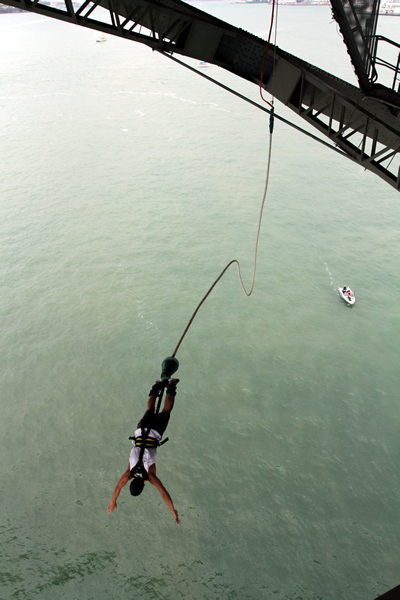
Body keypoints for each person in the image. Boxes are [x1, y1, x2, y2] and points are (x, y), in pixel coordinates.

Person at [107, 378, 180, 524]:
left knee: (166, 410)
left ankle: (171, 385)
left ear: (144, 485)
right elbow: (118, 487)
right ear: (131, 481)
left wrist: (173, 511)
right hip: (141, 430)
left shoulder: (151, 477)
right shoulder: (128, 473)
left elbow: (164, 494)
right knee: (150, 410)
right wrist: (112, 501)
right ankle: (156, 386)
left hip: (155, 432)